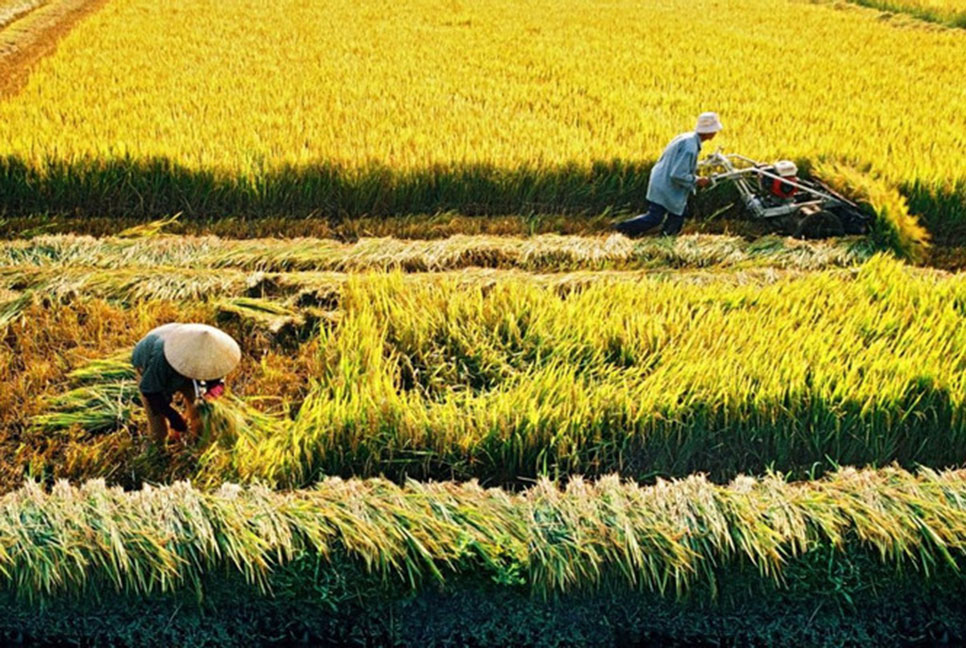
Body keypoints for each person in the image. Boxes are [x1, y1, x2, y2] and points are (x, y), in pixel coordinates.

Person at [615, 112, 723, 237]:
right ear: (708, 132)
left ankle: (662, 238)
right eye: (715, 129)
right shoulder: (690, 148)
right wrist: (697, 180)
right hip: (666, 185)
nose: (716, 132)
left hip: (660, 178)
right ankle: (622, 229)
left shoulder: (687, 137)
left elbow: (675, 162)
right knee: (659, 217)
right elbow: (677, 174)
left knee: (672, 214)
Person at [131, 323, 240, 444]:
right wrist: (173, 417)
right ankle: (158, 452)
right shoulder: (161, 357)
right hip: (148, 367)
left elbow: (217, 383)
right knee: (158, 426)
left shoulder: (214, 354)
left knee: (199, 412)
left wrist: (210, 397)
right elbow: (150, 392)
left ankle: (197, 441)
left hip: (178, 367)